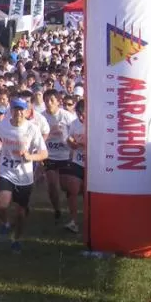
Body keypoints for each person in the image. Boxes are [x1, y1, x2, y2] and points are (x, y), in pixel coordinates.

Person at [0, 97, 48, 253]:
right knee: (2, 204)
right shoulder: (2, 125)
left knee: (21, 213)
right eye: (16, 109)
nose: (18, 112)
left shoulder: (32, 129)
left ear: (27, 111)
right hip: (6, 171)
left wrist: (30, 157)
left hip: (25, 176)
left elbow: (44, 153)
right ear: (11, 110)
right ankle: (5, 224)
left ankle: (17, 239)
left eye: (21, 109)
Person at [40, 90, 78, 231]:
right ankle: (57, 210)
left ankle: (71, 213)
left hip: (65, 155)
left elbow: (75, 134)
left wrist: (70, 142)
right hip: (49, 155)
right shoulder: (41, 117)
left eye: (51, 100)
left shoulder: (67, 116)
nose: (48, 103)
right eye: (46, 100)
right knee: (51, 185)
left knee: (65, 186)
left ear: (58, 101)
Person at [63, 99, 87, 235]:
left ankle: (89, 218)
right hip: (77, 160)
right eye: (79, 114)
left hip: (92, 164)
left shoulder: (95, 124)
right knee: (72, 189)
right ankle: (73, 221)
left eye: (83, 114)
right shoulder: (74, 124)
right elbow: (70, 139)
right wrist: (71, 143)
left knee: (86, 192)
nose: (81, 117)